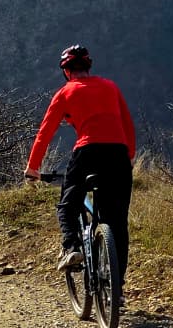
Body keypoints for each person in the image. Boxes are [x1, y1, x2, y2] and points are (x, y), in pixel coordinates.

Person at [23, 44, 135, 294]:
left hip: (87, 152)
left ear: (66, 71)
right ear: (88, 66)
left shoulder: (65, 93)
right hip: (117, 155)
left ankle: (72, 247)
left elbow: (45, 133)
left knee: (67, 204)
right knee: (117, 222)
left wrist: (32, 167)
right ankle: (117, 286)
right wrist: (128, 157)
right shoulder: (111, 86)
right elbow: (127, 125)